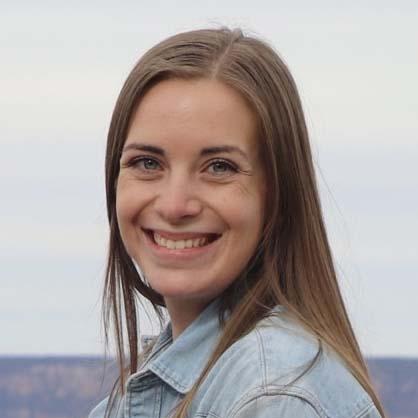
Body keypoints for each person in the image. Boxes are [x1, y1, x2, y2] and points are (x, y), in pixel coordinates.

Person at [88, 28, 385, 418]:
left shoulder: (275, 398)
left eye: (219, 167)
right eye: (148, 163)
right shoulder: (137, 400)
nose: (176, 205)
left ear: (277, 193)